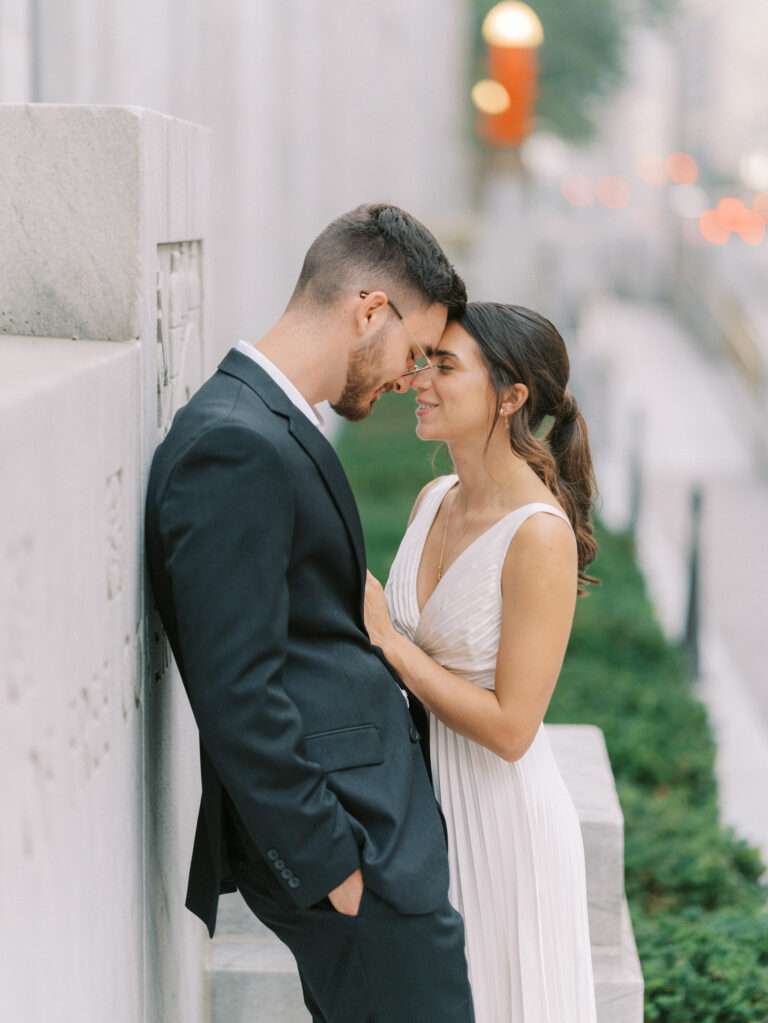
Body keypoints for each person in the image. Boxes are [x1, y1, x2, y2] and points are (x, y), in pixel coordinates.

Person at [144, 203, 475, 1021]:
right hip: (354, 858)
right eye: (412, 350)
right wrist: (334, 869)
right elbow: (238, 690)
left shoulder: (269, 422)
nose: (409, 377)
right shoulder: (236, 441)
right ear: (369, 310)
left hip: (380, 839)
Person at [364, 301, 600, 1022]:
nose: (420, 380)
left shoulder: (539, 535)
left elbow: (512, 727)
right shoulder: (432, 498)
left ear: (511, 396)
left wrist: (391, 644)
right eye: (423, 361)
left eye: (444, 365)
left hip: (503, 826)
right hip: (422, 814)